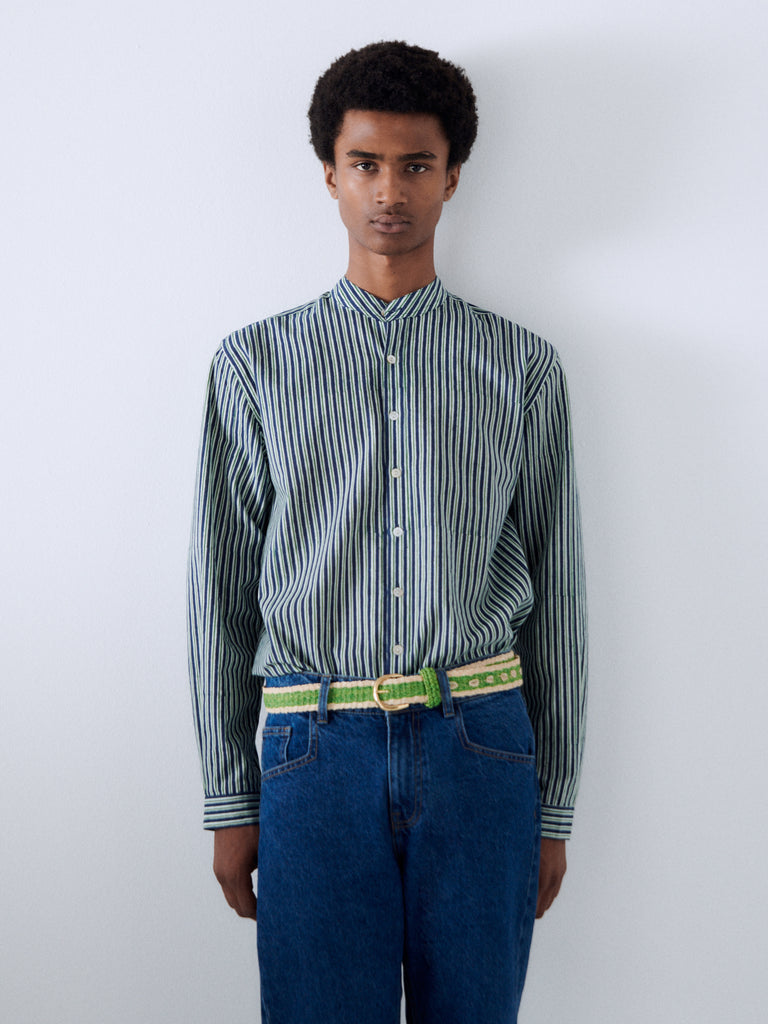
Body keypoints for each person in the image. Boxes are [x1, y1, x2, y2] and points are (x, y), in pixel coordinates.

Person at [188, 40, 587, 1024]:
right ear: (330, 171)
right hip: (312, 752)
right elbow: (220, 596)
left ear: (453, 175)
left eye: (416, 164)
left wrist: (554, 802)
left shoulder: (522, 368)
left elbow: (560, 595)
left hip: (480, 748)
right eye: (365, 163)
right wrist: (230, 796)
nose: (389, 191)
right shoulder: (254, 366)